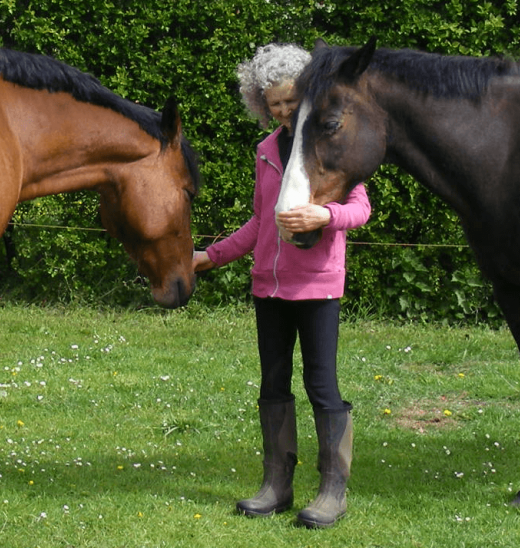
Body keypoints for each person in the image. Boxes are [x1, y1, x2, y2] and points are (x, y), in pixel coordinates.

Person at [192, 43, 371, 529]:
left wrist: (324, 214)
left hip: (317, 287)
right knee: (273, 384)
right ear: (261, 104)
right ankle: (277, 484)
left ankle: (333, 490)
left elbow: (361, 208)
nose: (285, 110)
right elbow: (259, 223)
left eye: (292, 100)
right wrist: (212, 255)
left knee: (322, 385)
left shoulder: (331, 143)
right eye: (275, 103)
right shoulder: (266, 151)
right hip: (267, 289)